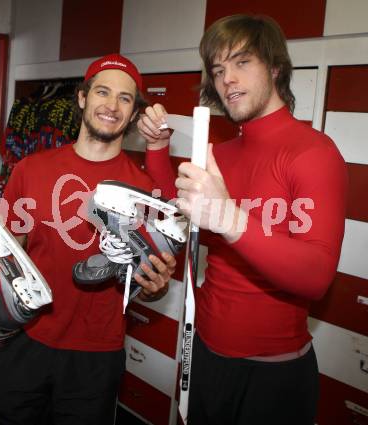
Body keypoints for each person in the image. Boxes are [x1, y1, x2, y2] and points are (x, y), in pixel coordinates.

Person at [138, 15, 347, 425]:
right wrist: (158, 147)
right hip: (206, 357)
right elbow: (174, 211)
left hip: (273, 374)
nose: (227, 79)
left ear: (274, 68)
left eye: (241, 62)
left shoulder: (314, 153)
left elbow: (317, 276)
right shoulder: (225, 155)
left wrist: (231, 220)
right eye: (218, 70)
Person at [0, 53, 177, 425]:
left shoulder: (144, 190)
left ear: (133, 112)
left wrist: (155, 286)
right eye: (102, 92)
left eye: (125, 98)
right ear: (82, 98)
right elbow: (3, 246)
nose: (111, 106)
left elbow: (146, 283)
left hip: (96, 355)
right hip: (27, 341)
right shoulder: (31, 170)